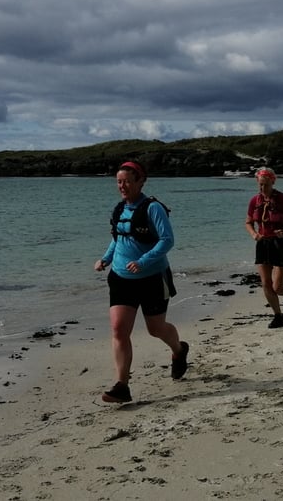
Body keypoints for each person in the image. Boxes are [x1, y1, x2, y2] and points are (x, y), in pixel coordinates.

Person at [94, 160, 190, 403]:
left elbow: (167, 240)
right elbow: (119, 238)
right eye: (119, 182)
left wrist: (144, 261)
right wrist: (105, 259)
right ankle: (122, 386)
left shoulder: (153, 208)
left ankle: (179, 351)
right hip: (121, 278)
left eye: (127, 181)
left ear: (140, 181)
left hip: (152, 278)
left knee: (155, 329)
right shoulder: (119, 209)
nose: (122, 186)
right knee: (118, 329)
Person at [245, 167, 283, 329]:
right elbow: (248, 222)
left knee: (277, 287)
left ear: (272, 182)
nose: (262, 188)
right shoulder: (254, 201)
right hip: (263, 243)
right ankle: (278, 316)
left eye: (266, 185)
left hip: (281, 244)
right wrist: (254, 234)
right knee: (265, 284)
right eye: (260, 185)